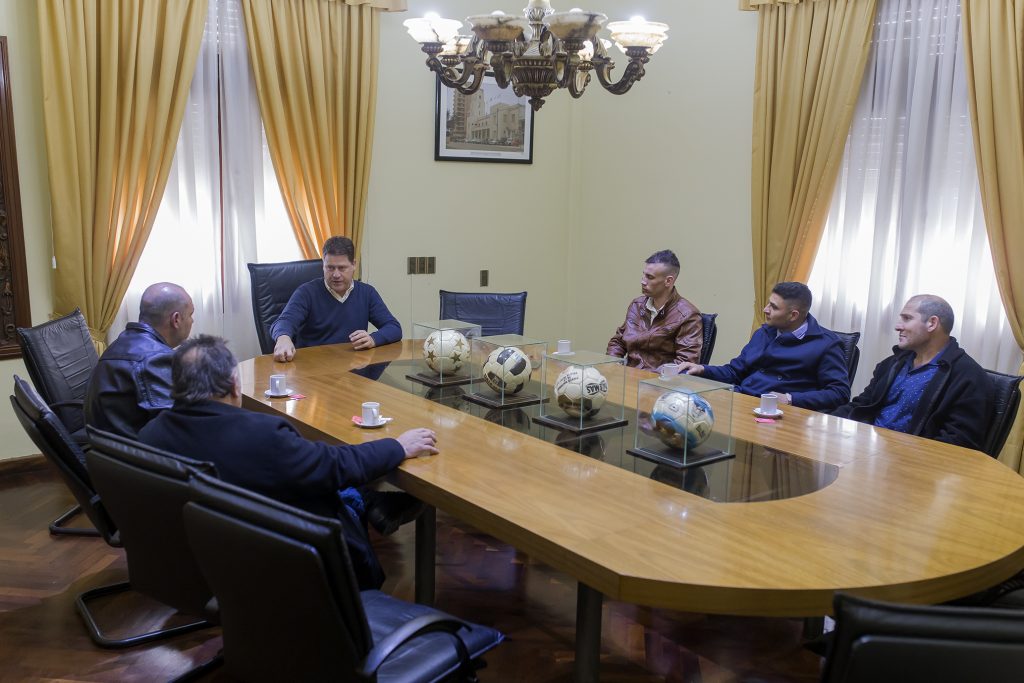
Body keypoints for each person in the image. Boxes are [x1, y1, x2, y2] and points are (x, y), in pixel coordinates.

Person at [139, 335, 439, 590]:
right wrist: (397, 446)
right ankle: (369, 502)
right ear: (234, 385)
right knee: (331, 485)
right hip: (284, 565)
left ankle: (371, 501)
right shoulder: (261, 435)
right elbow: (333, 465)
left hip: (201, 561)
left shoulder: (150, 435)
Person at [832, 295, 992, 450]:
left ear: (932, 323)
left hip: (913, 465)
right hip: (865, 449)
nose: (897, 326)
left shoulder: (969, 377)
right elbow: (861, 406)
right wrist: (823, 420)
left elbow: (959, 443)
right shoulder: (892, 364)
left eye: (907, 318)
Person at [675, 282, 850, 411]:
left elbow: (839, 393)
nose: (765, 310)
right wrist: (702, 369)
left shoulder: (826, 344)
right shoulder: (765, 332)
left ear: (793, 315)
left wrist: (791, 399)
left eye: (773, 307)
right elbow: (735, 372)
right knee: (682, 407)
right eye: (768, 303)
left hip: (780, 414)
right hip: (743, 401)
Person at [84, 282, 194, 439]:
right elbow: (178, 428)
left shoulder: (122, 343)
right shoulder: (155, 358)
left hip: (109, 451)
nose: (192, 321)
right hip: (136, 458)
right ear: (176, 319)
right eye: (190, 314)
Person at [272, 236, 402, 362]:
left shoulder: (367, 293)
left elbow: (394, 327)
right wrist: (283, 337)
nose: (336, 274)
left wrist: (373, 339)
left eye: (342, 268)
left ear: (354, 265)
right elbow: (284, 321)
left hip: (353, 368)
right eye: (330, 268)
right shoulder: (306, 292)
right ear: (323, 265)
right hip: (313, 368)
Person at [607, 249, 703, 369]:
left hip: (659, 383)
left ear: (668, 281)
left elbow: (684, 364)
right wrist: (612, 365)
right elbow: (618, 342)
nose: (643, 281)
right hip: (628, 377)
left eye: (650, 277)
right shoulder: (637, 305)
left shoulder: (688, 315)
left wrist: (648, 380)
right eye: (643, 275)